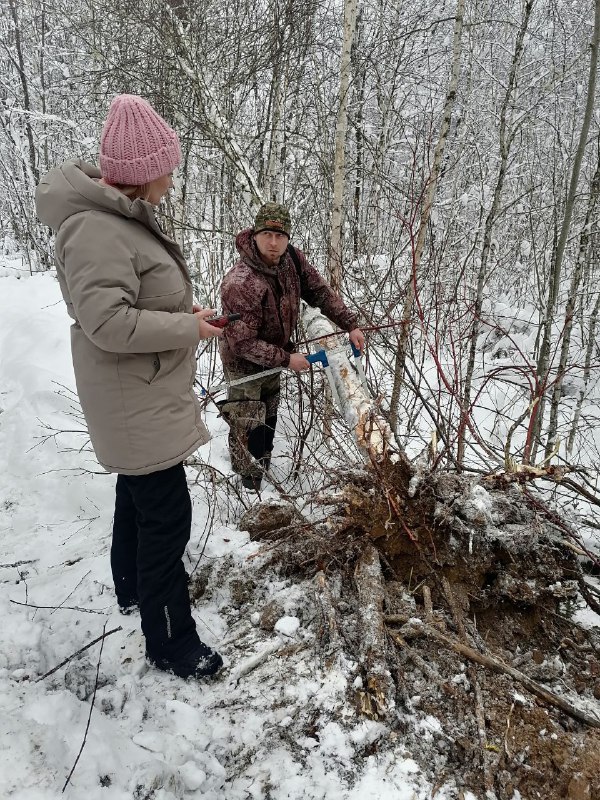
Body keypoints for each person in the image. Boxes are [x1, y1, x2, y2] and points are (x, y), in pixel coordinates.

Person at [35, 94, 224, 680]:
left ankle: (132, 590)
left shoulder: (115, 221)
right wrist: (186, 326)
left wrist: (180, 311)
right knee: (167, 514)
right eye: (167, 168)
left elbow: (132, 300)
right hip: (132, 395)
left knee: (139, 501)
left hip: (141, 390)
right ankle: (171, 642)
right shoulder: (96, 228)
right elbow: (108, 323)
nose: (172, 178)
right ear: (145, 175)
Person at [218, 202, 365, 491]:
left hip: (276, 353)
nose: (273, 243)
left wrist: (350, 323)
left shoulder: (292, 262)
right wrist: (287, 360)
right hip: (244, 362)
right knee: (247, 417)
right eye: (267, 235)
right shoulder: (240, 282)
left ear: (288, 238)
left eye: (280, 236)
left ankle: (264, 463)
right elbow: (243, 343)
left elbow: (320, 291)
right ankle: (247, 484)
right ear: (254, 235)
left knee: (269, 410)